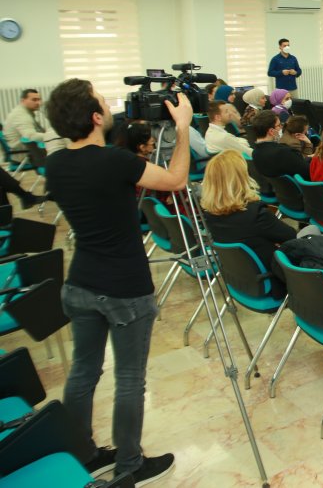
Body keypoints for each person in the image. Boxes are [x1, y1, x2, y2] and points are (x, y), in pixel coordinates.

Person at [45, 78, 187, 483]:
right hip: (125, 288)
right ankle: (130, 464)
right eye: (102, 101)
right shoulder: (114, 161)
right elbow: (176, 180)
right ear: (94, 117)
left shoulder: (54, 163)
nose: (109, 105)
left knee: (83, 372)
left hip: (79, 283)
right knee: (129, 380)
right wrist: (181, 127)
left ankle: (82, 452)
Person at [201, 150, 297, 284]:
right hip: (272, 280)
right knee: (311, 233)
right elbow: (291, 236)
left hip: (240, 281)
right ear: (241, 178)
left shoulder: (209, 215)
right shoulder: (255, 213)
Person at [4, 87, 66, 161]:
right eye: (34, 100)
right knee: (63, 145)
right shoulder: (21, 115)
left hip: (26, 150)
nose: (38, 103)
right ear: (23, 100)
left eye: (39, 99)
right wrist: (56, 136)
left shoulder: (24, 112)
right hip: (23, 154)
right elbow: (31, 136)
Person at [251, 111, 309, 180]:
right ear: (271, 131)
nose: (281, 127)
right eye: (279, 125)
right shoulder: (282, 152)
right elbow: (308, 171)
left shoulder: (255, 153)